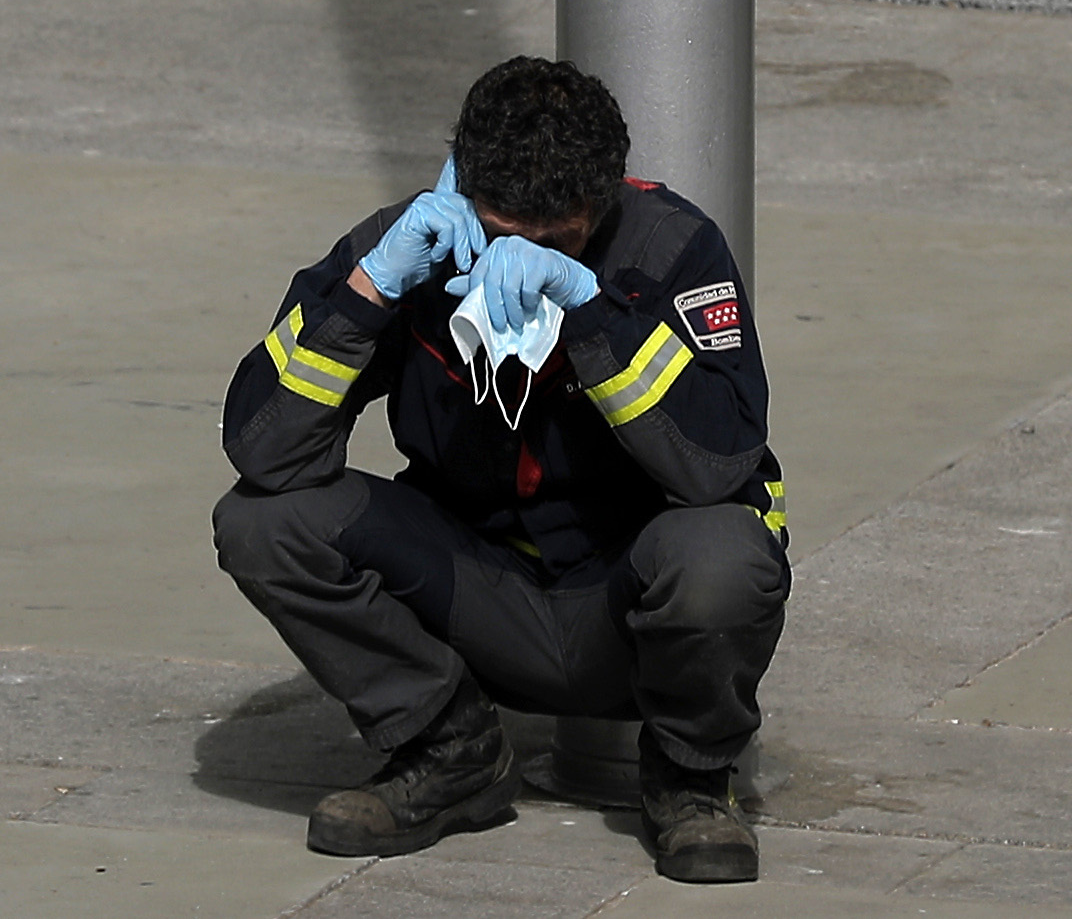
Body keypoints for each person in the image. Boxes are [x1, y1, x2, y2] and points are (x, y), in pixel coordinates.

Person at [213, 56, 787, 884]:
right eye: (503, 230)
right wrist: (373, 288)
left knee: (724, 552)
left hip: (623, 603)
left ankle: (691, 778)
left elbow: (716, 463)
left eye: (554, 238)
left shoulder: (674, 250)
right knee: (261, 522)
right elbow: (264, 449)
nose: (516, 257)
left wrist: (587, 308)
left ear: (605, 198)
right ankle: (448, 749)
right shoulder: (411, 243)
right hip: (472, 588)